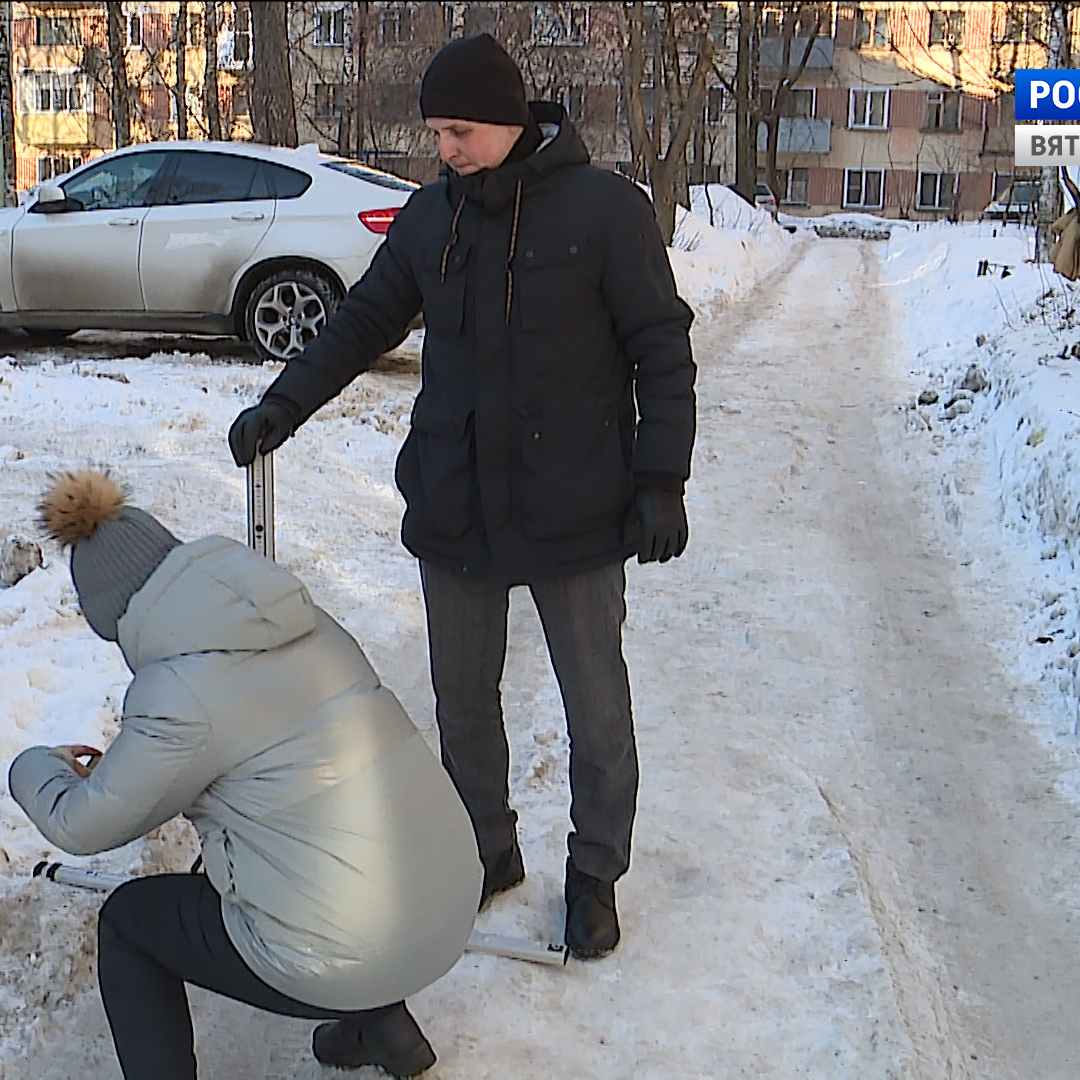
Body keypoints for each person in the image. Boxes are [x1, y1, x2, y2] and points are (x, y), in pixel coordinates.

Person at [227, 33, 697, 961]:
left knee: (595, 707)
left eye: (462, 131)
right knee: (461, 699)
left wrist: (660, 480)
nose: (445, 149)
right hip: (455, 503)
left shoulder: (604, 212)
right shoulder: (428, 219)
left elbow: (661, 348)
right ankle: (485, 847)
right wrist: (284, 402)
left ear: (512, 122)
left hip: (576, 507)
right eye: (437, 131)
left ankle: (596, 875)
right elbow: (364, 321)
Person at [11, 470, 481, 1080]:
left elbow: (80, 824)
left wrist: (35, 764)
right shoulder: (298, 618)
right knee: (311, 831)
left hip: (355, 948)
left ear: (114, 617)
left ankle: (363, 998)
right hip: (445, 902)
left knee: (130, 924)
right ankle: (382, 1025)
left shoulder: (178, 691)